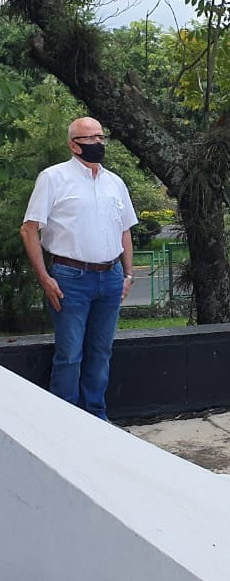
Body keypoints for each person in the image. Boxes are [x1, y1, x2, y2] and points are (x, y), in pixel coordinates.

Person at [19, 117, 138, 421]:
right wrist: (44, 277)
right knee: (70, 355)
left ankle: (97, 419)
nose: (98, 143)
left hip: (110, 276)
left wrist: (128, 274)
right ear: (73, 145)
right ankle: (65, 426)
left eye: (101, 137)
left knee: (101, 352)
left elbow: (124, 229)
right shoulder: (53, 178)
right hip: (70, 277)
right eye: (90, 138)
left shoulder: (114, 182)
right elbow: (29, 229)